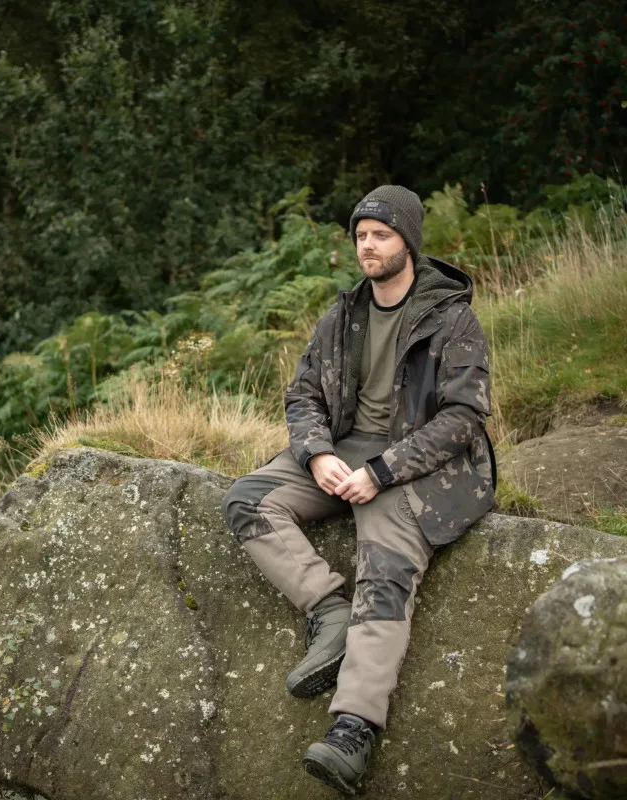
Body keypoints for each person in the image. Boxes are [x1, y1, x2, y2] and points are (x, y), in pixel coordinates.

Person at [221, 184, 496, 795]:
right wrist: (317, 453)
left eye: (381, 235)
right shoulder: (342, 315)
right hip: (343, 451)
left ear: (409, 243)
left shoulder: (451, 318)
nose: (367, 246)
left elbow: (464, 417)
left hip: (419, 465)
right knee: (247, 498)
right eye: (361, 236)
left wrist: (382, 472)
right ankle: (328, 611)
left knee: (385, 559)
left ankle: (354, 730)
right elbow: (302, 395)